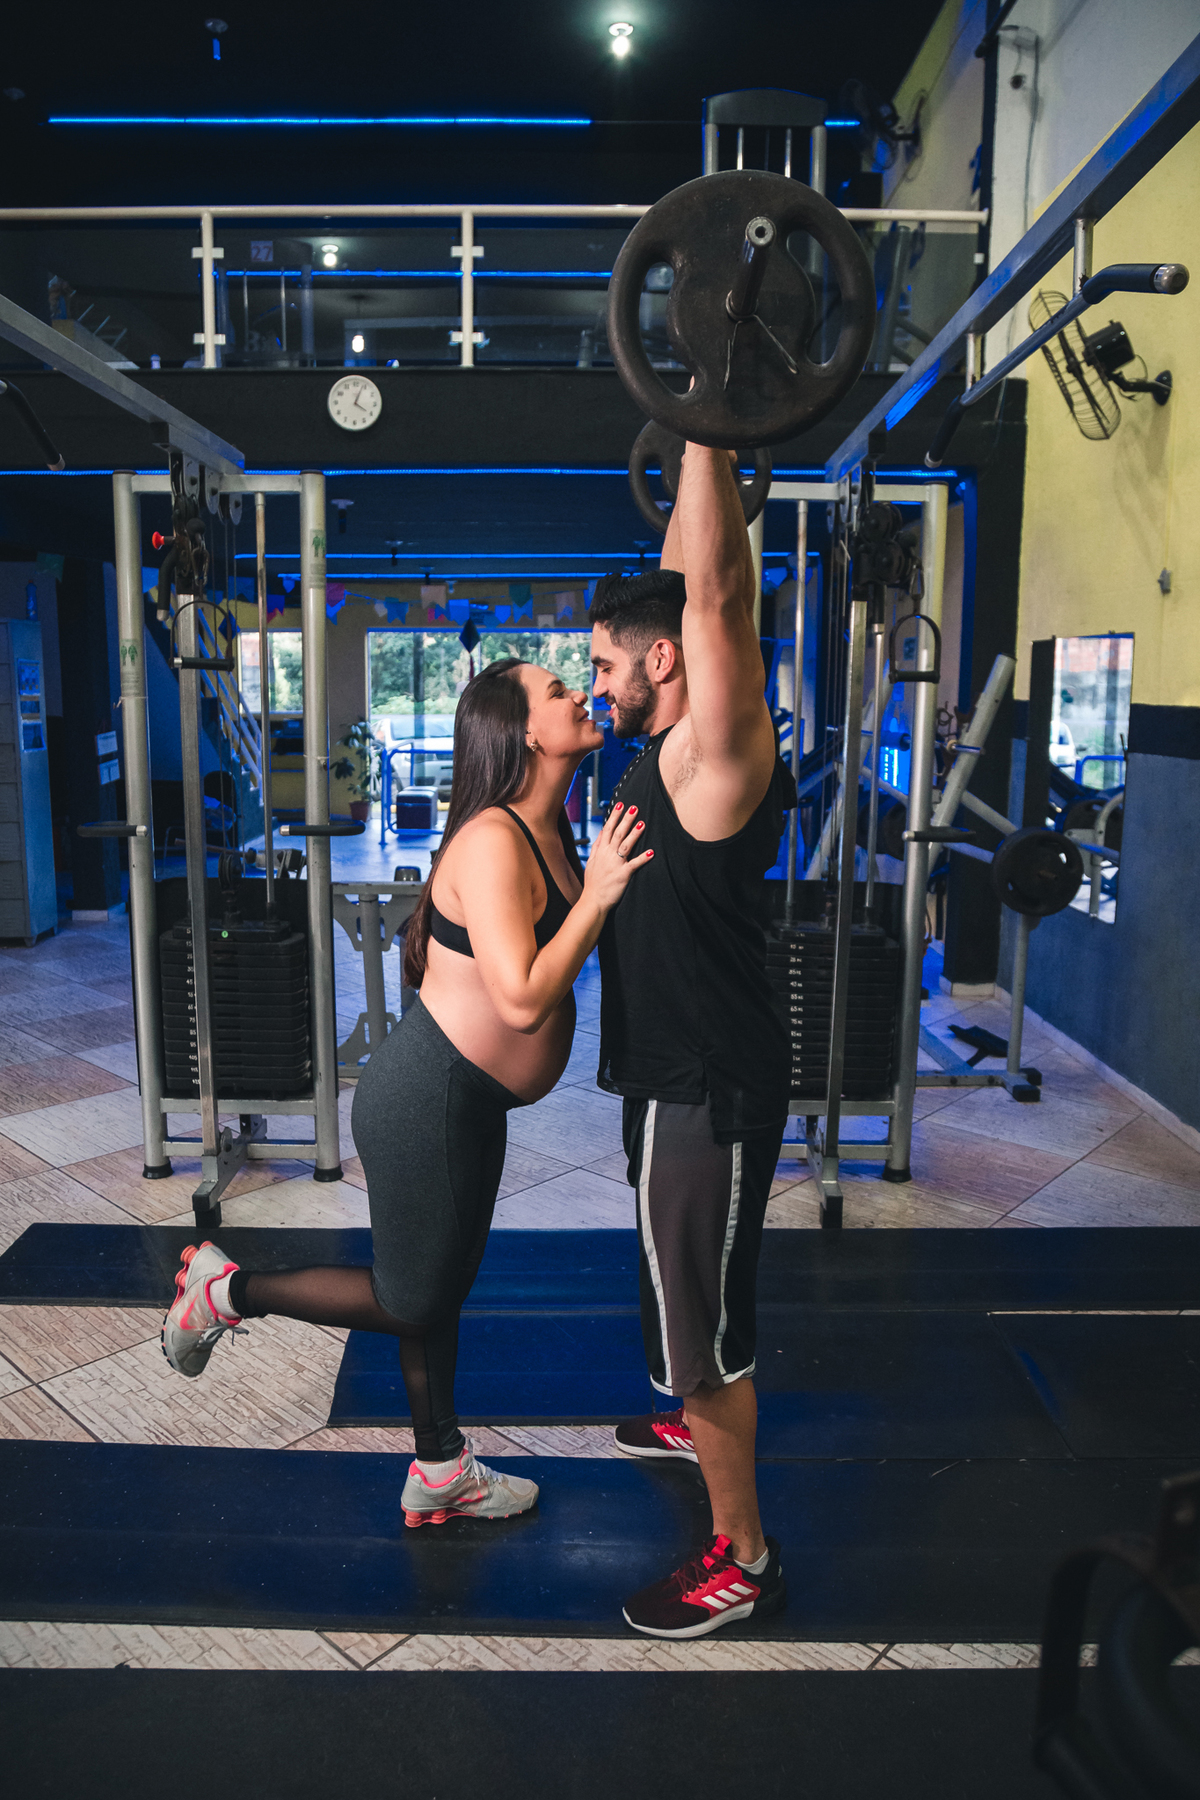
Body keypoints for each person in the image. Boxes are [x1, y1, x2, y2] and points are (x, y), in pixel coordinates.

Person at [161, 657, 652, 1527]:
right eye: (558, 691)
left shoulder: (553, 829)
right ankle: (223, 1291)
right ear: (525, 732)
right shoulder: (495, 838)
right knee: (408, 1296)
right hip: (428, 1096)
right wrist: (604, 895)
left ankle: (439, 1469)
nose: (582, 693)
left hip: (471, 1101)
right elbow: (523, 996)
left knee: (437, 1286)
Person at [588, 445, 797, 1638]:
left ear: (663, 663)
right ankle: (689, 1406)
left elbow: (715, 600)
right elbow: (690, 581)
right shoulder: (665, 745)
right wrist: (690, 437)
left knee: (703, 1325)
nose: (596, 676)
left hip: (710, 1081)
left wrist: (713, 423)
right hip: (670, 1073)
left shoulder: (716, 758)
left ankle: (745, 1554)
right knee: (676, 1286)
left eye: (610, 661)